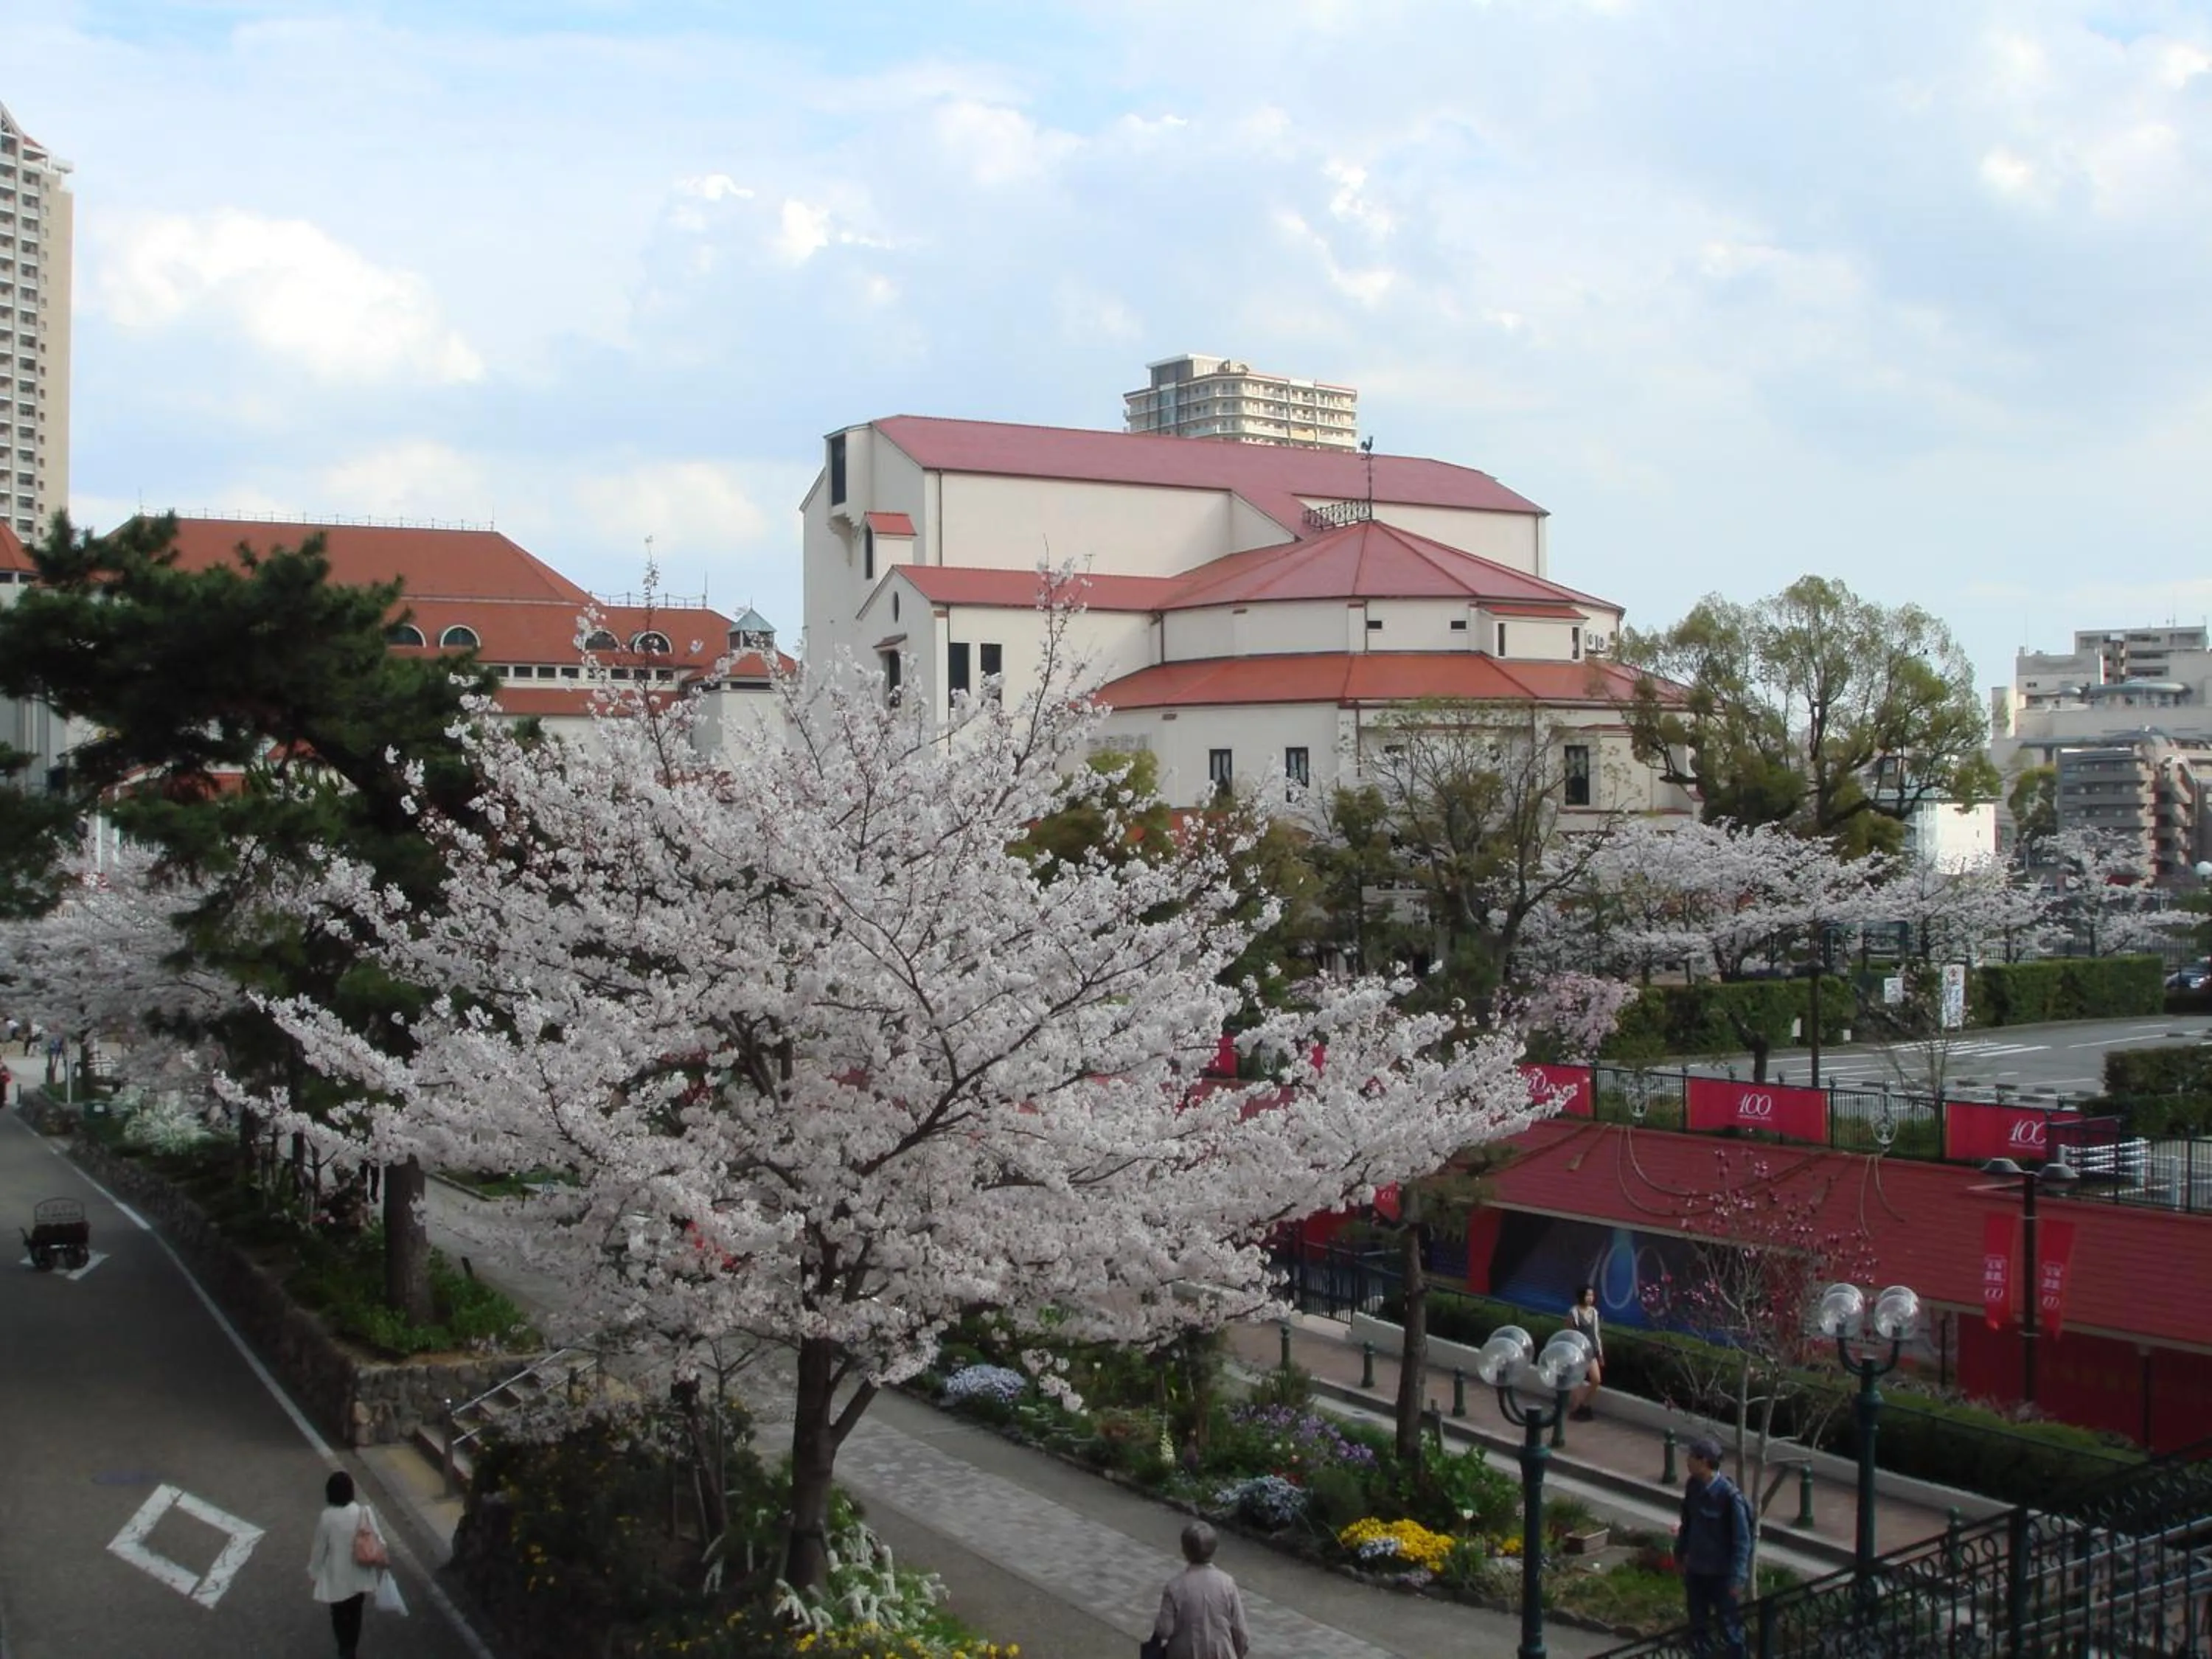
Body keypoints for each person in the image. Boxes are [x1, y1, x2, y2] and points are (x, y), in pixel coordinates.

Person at [1676, 1436, 1752, 1659]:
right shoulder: (1693, 1487)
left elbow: (1742, 1541)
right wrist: (1680, 1553)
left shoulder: (1730, 1497)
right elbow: (1687, 1524)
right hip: (1697, 1571)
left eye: (1691, 1457)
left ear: (1705, 1462)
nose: (1687, 1461)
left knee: (1730, 1630)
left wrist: (1738, 1577)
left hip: (1721, 1576)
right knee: (1698, 1628)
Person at [307, 1470, 385, 1658]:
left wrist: (314, 1572)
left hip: (337, 1577)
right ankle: (351, 1647)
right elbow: (380, 1541)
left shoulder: (327, 1517)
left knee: (339, 1616)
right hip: (360, 1575)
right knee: (355, 1613)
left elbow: (319, 1549)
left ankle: (345, 1649)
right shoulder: (363, 1512)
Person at [1150, 1521, 1251, 1659]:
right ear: (1215, 1549)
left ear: (1184, 1550)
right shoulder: (1227, 1584)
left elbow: (1165, 1630)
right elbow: (1240, 1630)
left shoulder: (1174, 1586)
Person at [1567, 1283, 1604, 1420]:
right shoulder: (1574, 1312)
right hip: (1578, 1351)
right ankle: (1577, 1407)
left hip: (1591, 1351)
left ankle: (1584, 1404)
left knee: (1596, 1379)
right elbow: (1569, 1333)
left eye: (1592, 1295)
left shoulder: (1594, 1312)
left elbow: (1596, 1334)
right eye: (1588, 1295)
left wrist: (1600, 1354)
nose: (1590, 1298)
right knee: (1577, 1380)